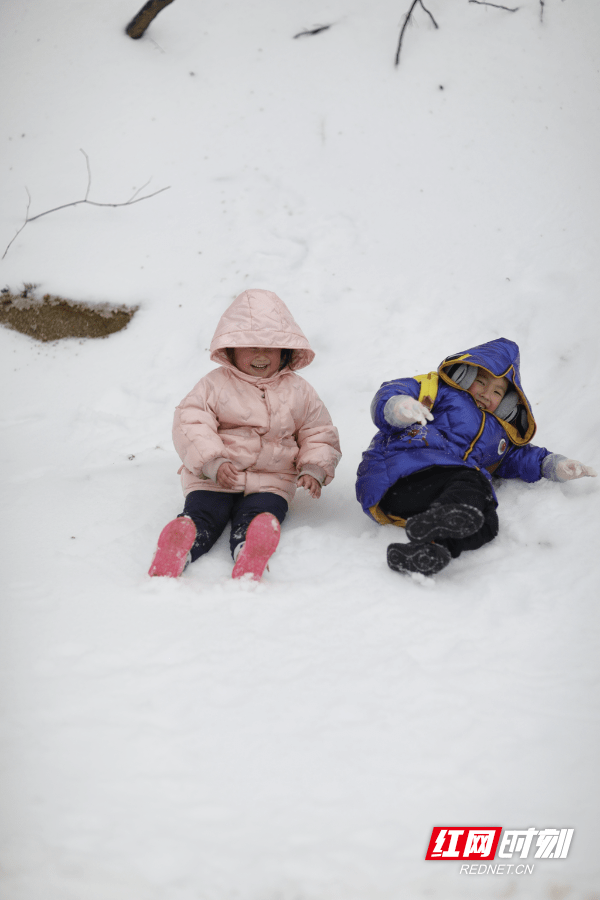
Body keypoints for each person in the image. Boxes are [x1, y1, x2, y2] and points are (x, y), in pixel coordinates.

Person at [356, 337, 596, 577]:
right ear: (465, 375)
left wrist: (554, 465)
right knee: (472, 481)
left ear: (508, 402)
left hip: (417, 500)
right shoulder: (440, 390)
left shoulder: (500, 435)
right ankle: (443, 519)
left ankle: (427, 550)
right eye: (480, 381)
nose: (485, 393)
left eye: (497, 392)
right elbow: (395, 390)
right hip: (401, 473)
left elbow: (519, 456)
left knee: (486, 523)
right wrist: (399, 406)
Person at [149, 289, 341, 581]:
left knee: (261, 514)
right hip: (215, 477)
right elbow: (191, 421)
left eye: (270, 347)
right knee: (205, 512)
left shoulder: (300, 391)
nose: (261, 355)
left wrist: (314, 467)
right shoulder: (214, 385)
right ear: (231, 349)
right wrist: (212, 461)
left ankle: (251, 548)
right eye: (250, 347)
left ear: (285, 350)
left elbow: (318, 430)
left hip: (272, 479)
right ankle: (181, 544)